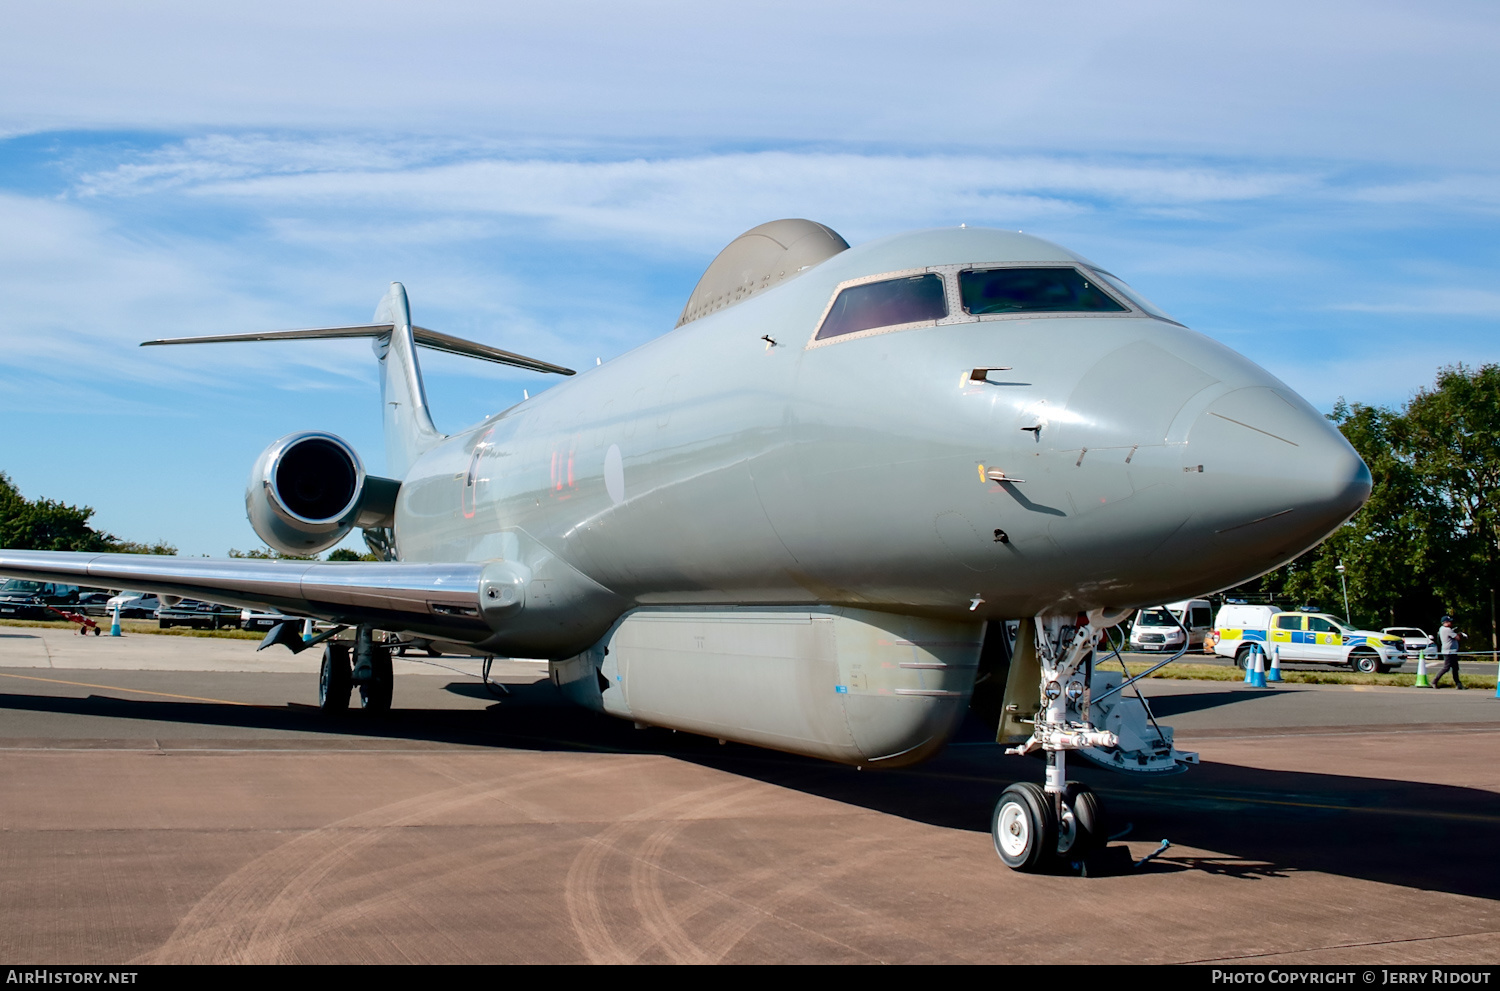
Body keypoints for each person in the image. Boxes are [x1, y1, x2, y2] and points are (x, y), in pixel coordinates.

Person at [1433, 615, 1465, 689]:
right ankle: (1434, 681)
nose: (1451, 623)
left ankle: (1458, 683)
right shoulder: (1447, 630)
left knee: (1455, 667)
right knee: (1446, 667)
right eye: (1449, 622)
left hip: (1451, 651)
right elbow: (1457, 638)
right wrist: (1460, 633)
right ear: (1445, 622)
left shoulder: (1441, 629)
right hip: (1449, 651)